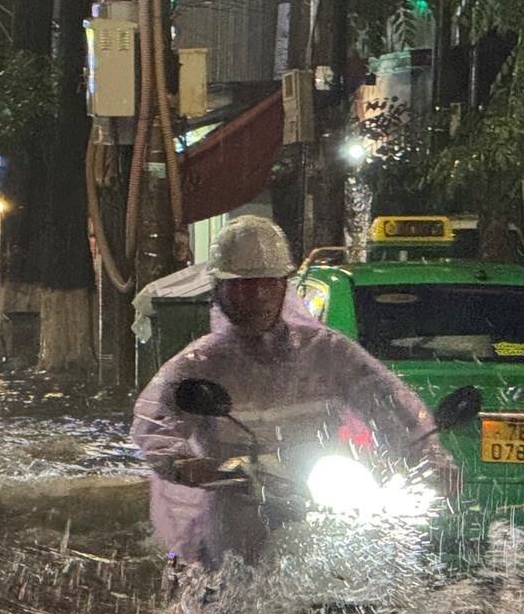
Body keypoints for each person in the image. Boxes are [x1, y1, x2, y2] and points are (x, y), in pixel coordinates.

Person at [130, 215, 454, 573]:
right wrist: (187, 465)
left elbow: (386, 398)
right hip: (239, 511)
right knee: (230, 589)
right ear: (219, 290)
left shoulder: (327, 352)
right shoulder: (199, 365)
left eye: (268, 284)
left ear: (284, 286)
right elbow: (154, 422)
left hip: (325, 501)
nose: (256, 296)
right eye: (243, 285)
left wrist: (428, 453)